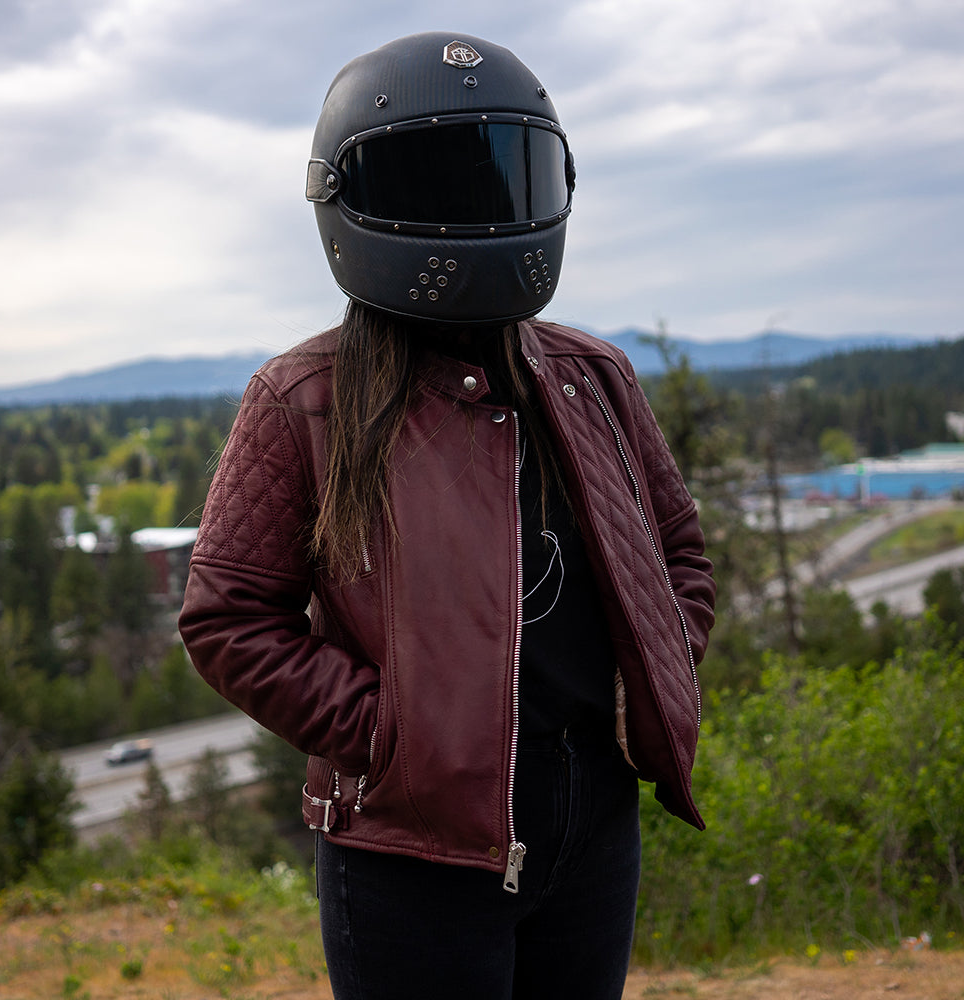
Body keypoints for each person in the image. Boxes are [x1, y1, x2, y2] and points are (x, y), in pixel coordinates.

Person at [179, 31, 716, 1000]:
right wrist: (394, 734)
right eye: (441, 181)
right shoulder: (305, 396)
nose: (478, 210)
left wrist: (659, 667)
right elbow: (228, 619)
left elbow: (677, 550)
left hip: (592, 817)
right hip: (410, 844)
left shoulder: (592, 375)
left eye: (501, 175)